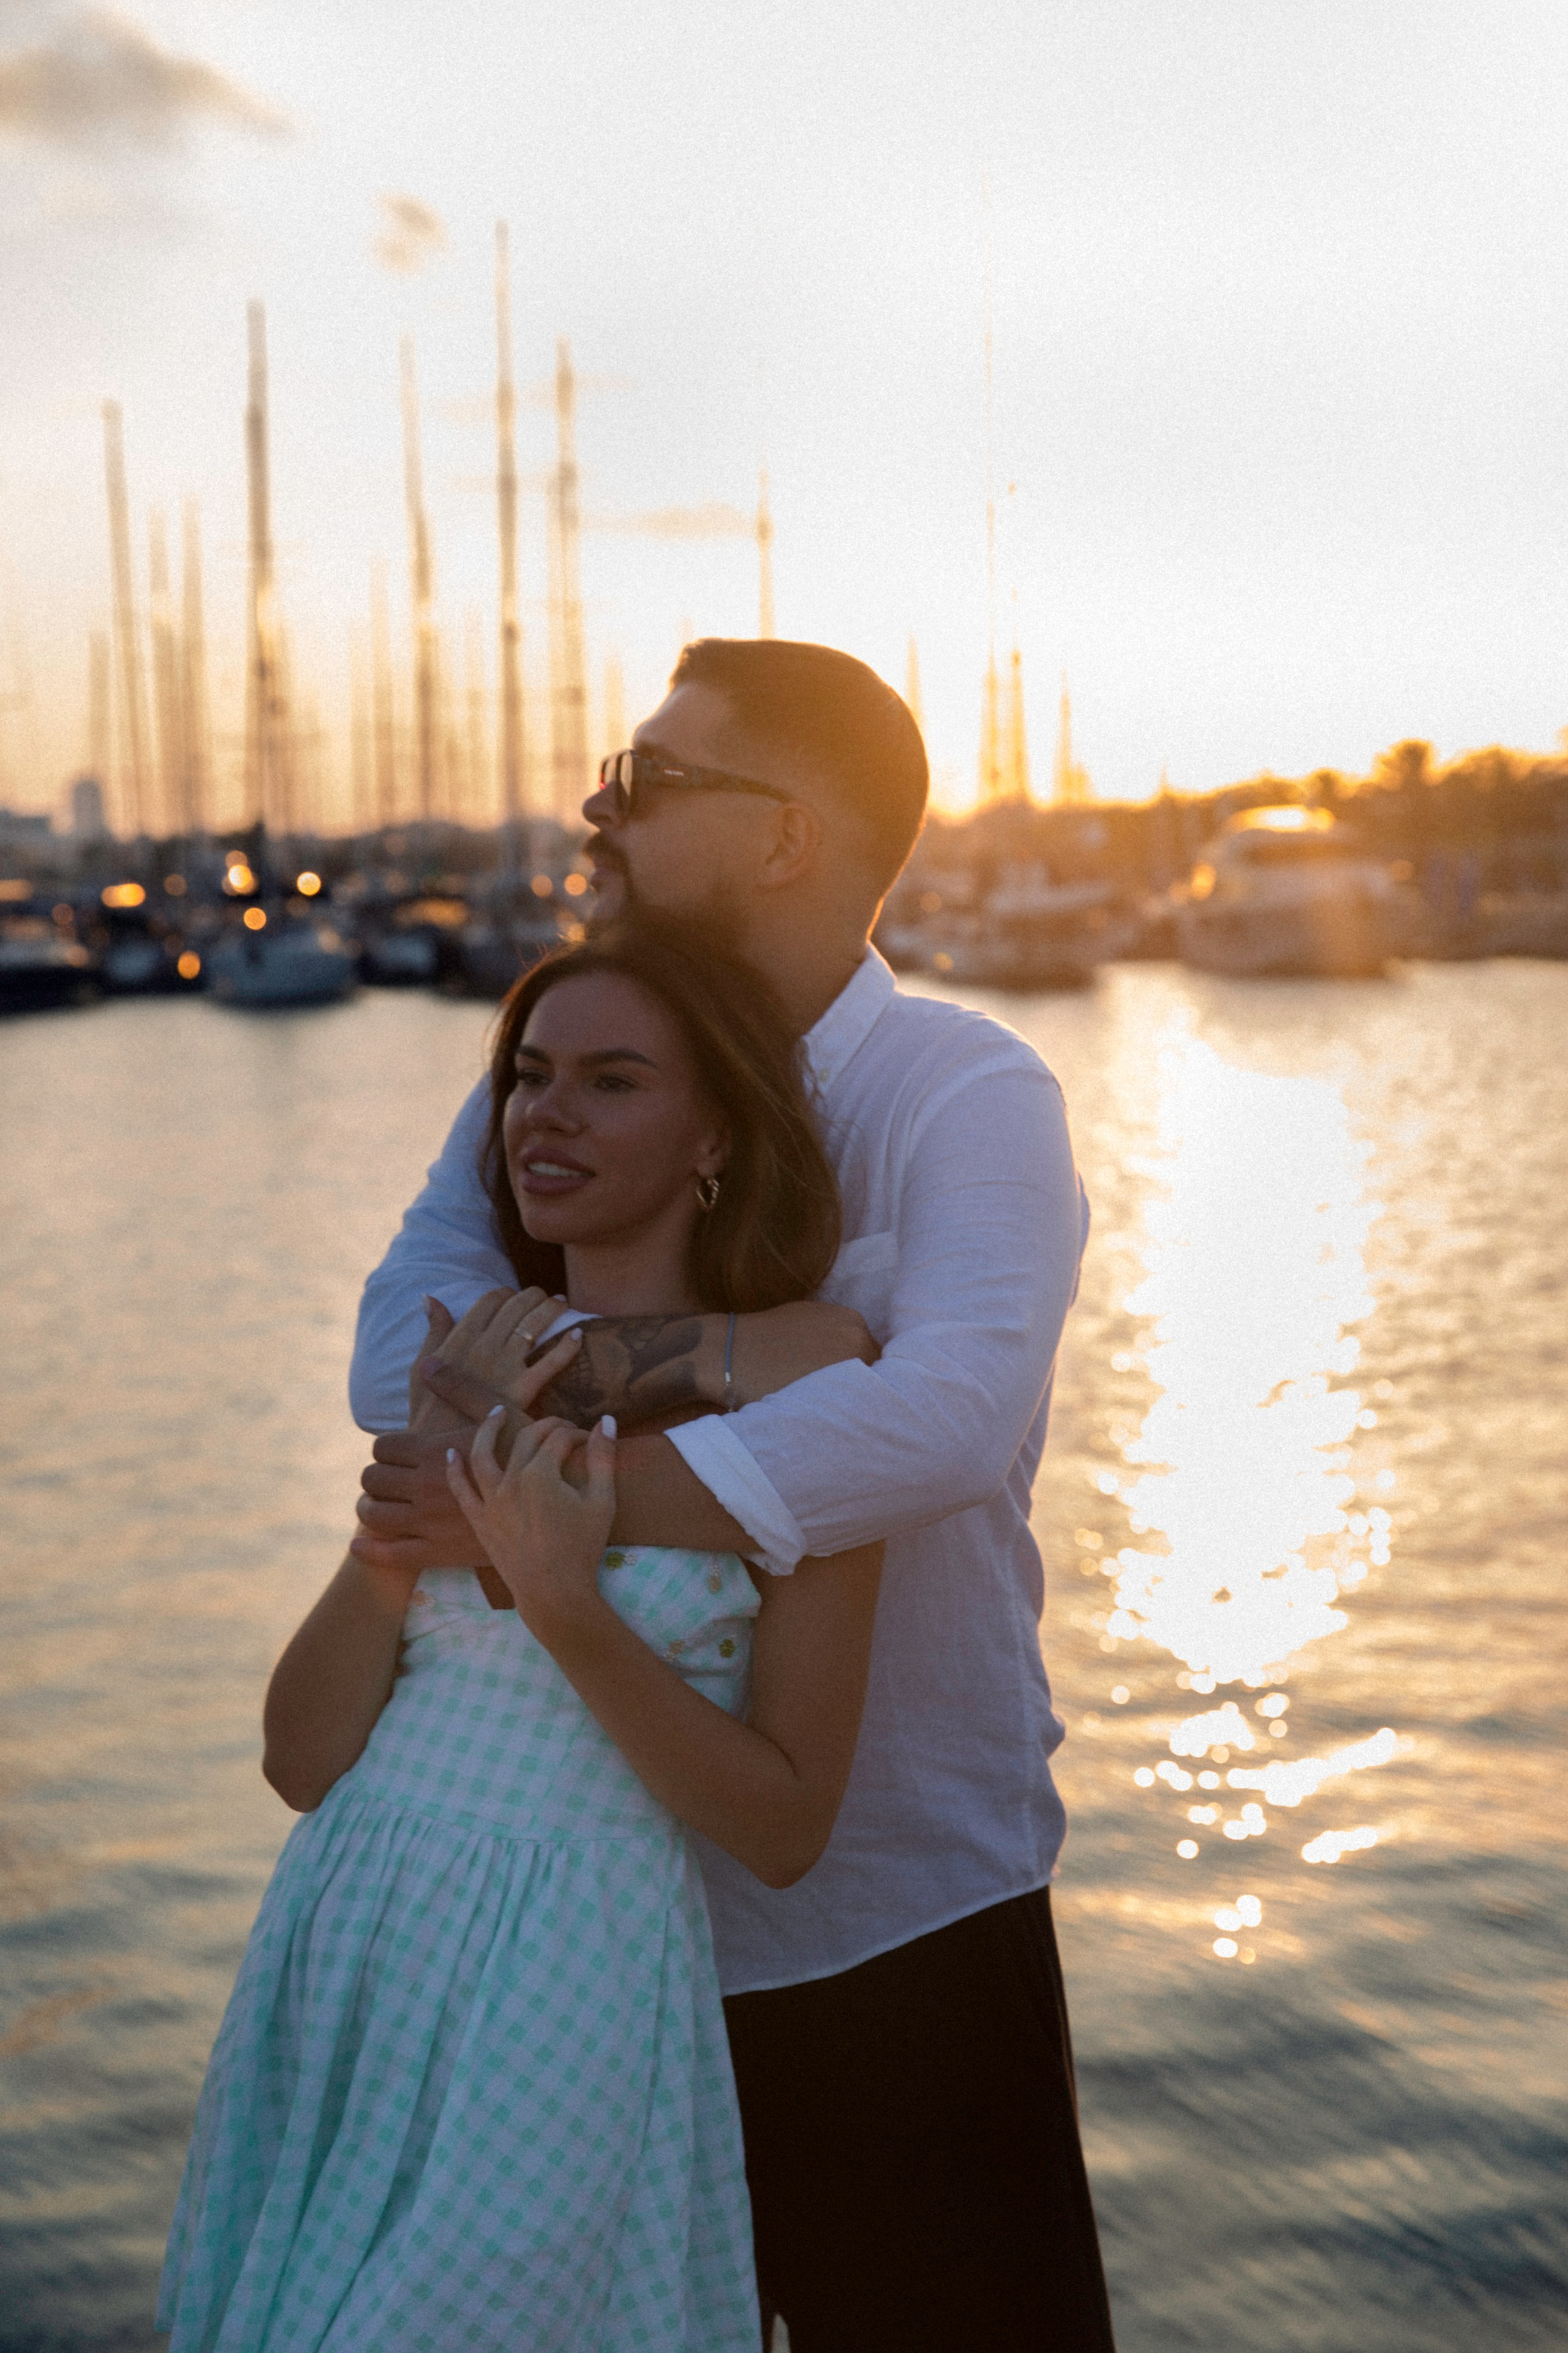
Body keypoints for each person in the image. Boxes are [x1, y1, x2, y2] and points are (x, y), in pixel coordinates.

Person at [351, 638, 1115, 2351]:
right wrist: (774, 1345)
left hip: (897, 1928)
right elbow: (386, 1365)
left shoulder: (964, 1093)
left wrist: (544, 1488)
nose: (596, 813)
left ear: (784, 837)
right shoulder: (561, 1068)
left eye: (642, 784)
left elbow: (943, 1423)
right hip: (586, 1934)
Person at [157, 922, 883, 2353]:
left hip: (568, 1950)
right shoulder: (467, 1363)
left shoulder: (808, 1422)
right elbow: (300, 1759)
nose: (547, 1112)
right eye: (530, 1075)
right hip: (355, 1920)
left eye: (612, 1080)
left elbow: (786, 1824)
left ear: (715, 1137)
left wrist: (562, 1603)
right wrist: (394, 1536)